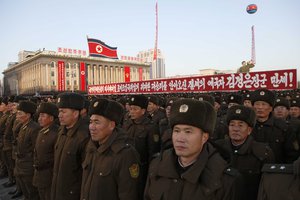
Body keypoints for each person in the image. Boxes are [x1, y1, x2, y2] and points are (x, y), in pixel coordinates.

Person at [144, 98, 241, 200]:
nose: (180, 139)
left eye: (188, 132)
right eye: (177, 131)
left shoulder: (224, 179)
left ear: (204, 137)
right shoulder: (157, 165)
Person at [81, 98, 141, 200]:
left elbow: (128, 194)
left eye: (97, 122)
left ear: (111, 125)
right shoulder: (92, 147)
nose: (91, 127)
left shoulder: (125, 154)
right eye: (90, 122)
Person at [215, 105, 274, 200]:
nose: (235, 129)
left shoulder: (262, 152)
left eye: (240, 125)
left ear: (249, 130)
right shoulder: (217, 148)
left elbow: (267, 186)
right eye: (232, 125)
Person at [51, 92, 90, 200]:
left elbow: (86, 174)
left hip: (73, 194)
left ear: (75, 113)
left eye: (63, 112)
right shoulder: (62, 131)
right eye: (59, 111)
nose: (59, 115)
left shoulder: (84, 136)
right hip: (58, 190)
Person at [251, 89, 299, 163]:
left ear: (270, 108)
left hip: (275, 171)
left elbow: (292, 154)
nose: (260, 107)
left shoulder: (283, 128)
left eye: (263, 104)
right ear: (253, 107)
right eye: (257, 104)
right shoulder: (247, 126)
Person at [14, 100, 41, 200]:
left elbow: (36, 150)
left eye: (20, 113)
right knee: (25, 192)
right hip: (21, 164)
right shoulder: (23, 126)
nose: (17, 116)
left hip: (28, 167)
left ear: (28, 115)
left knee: (32, 193)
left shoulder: (34, 128)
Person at [33, 102, 59, 200]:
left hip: (49, 176)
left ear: (51, 118)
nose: (39, 119)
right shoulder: (42, 130)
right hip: (40, 174)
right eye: (39, 115)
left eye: (43, 116)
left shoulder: (55, 133)